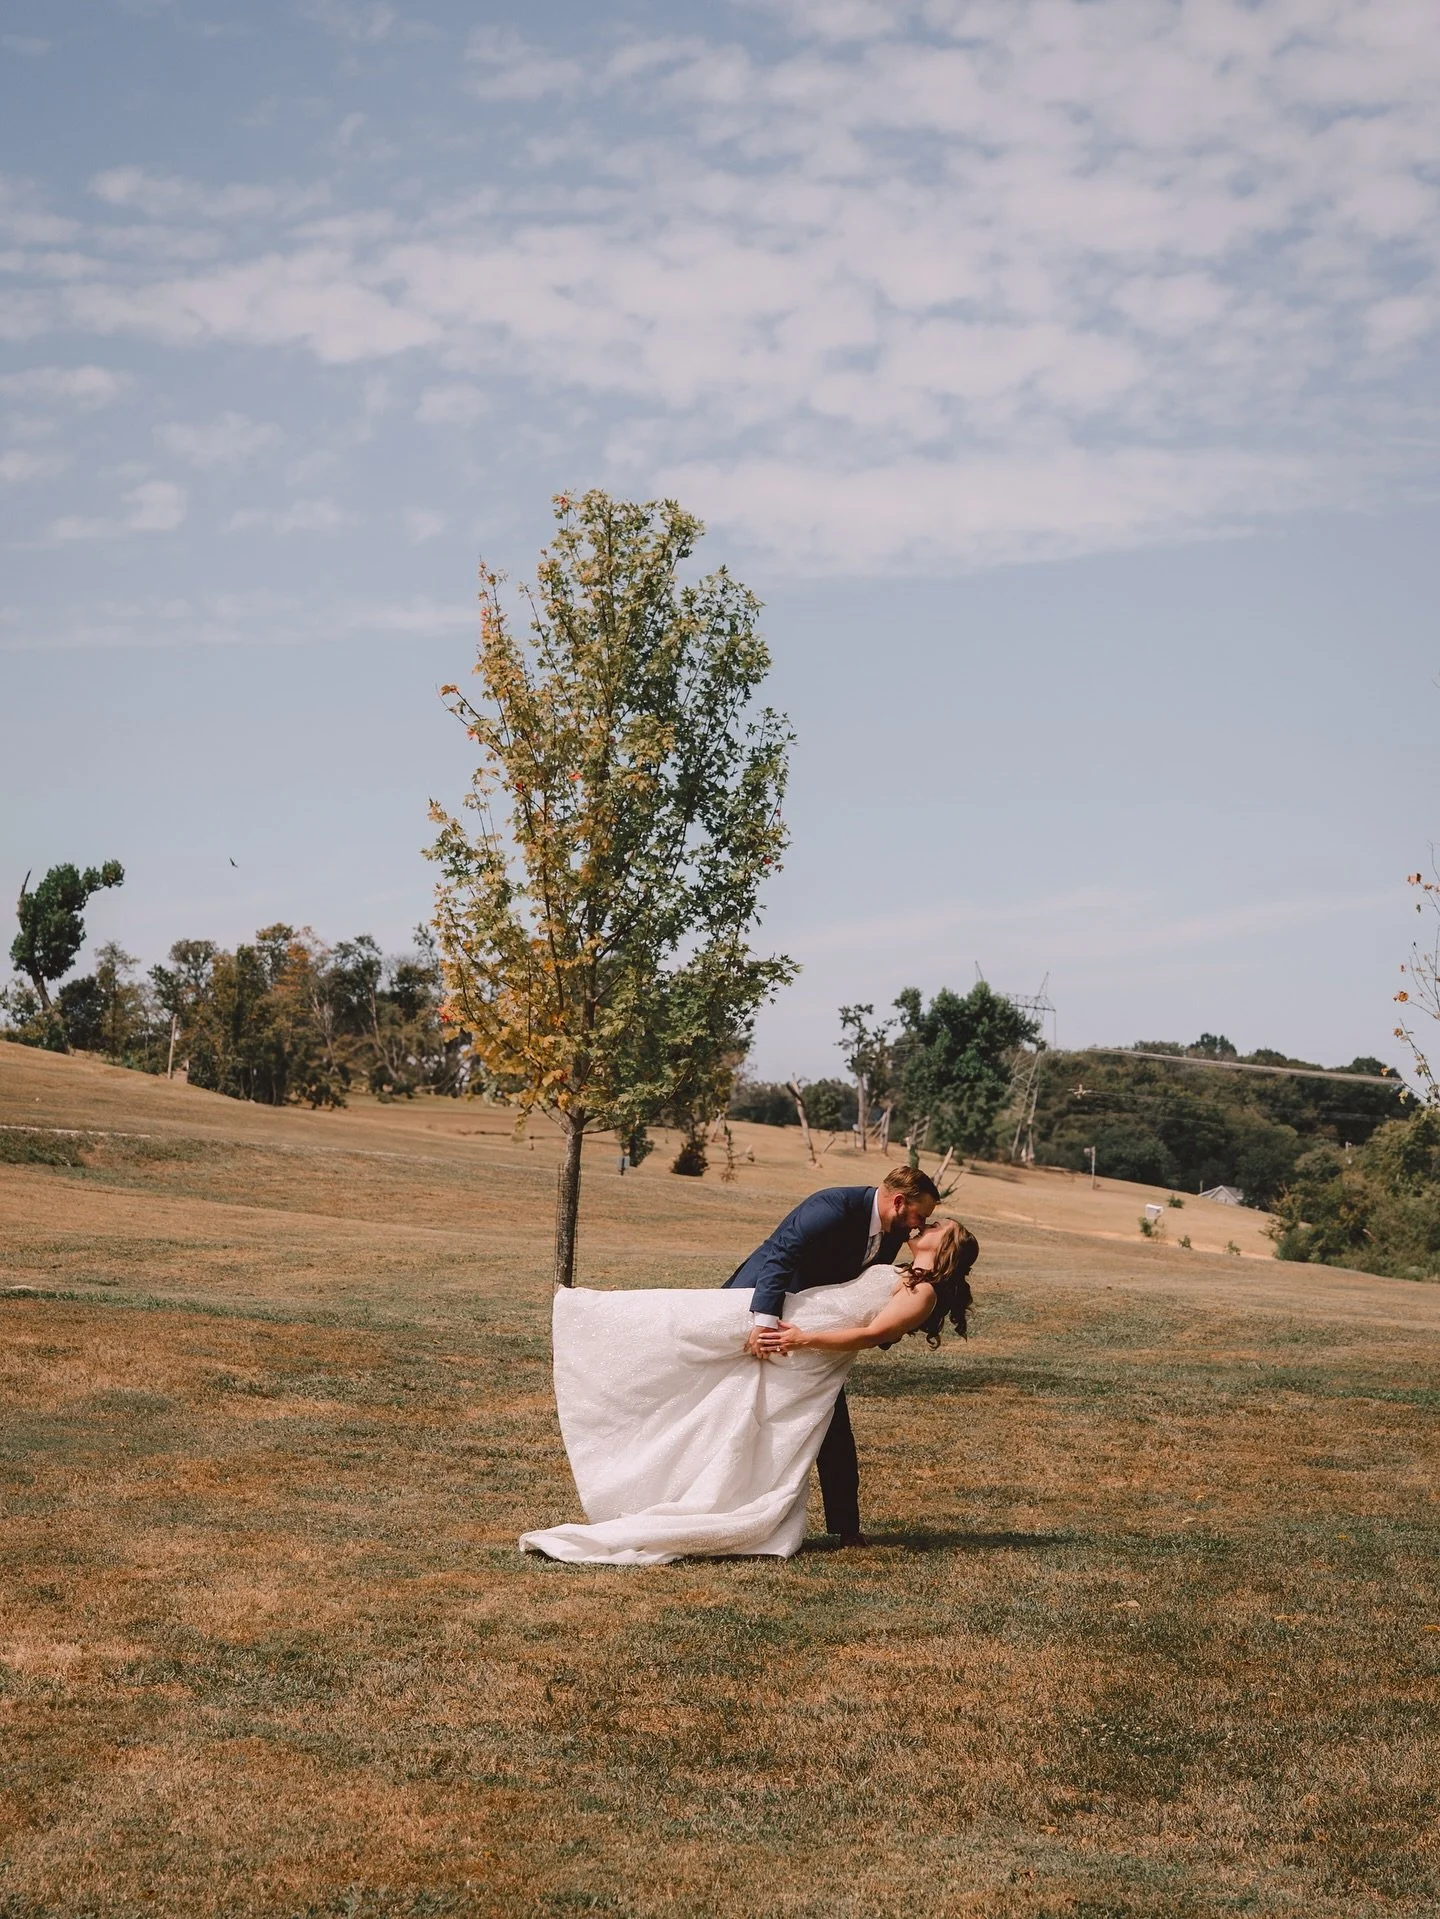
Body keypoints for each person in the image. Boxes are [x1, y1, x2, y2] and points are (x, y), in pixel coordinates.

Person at [519, 1215, 978, 1567]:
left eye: (940, 1226)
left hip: (800, 1342)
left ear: (948, 1246)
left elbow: (870, 1334)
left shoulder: (925, 1293)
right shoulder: (903, 1271)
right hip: (794, 1324)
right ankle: (601, 1316)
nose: (928, 1224)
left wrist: (799, 1338)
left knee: (711, 1369)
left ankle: (597, 1314)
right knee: (690, 1331)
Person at [724, 1166, 940, 1546]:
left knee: (831, 1424)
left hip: (809, 1337)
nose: (920, 1225)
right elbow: (781, 1255)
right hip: (756, 1307)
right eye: (919, 1216)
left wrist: (890, 1327)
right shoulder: (832, 1207)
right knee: (733, 1408)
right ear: (899, 1202)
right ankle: (723, 1511)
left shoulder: (892, 1235)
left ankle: (846, 1527)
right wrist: (764, 1321)